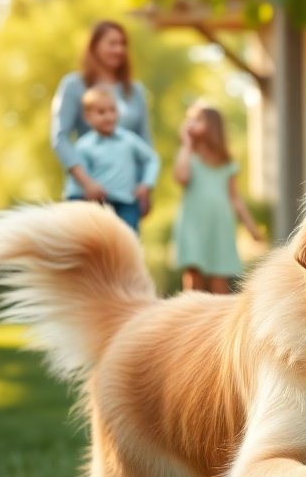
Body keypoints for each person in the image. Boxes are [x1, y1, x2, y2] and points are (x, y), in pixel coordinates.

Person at [51, 20, 155, 226]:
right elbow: (60, 137)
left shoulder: (134, 91)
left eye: (123, 44)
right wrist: (86, 183)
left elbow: (145, 141)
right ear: (94, 46)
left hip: (126, 196)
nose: (119, 49)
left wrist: (146, 187)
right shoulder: (74, 85)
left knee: (123, 254)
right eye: (112, 43)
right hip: (88, 193)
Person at [172, 102, 264, 294]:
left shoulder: (227, 162)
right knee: (193, 275)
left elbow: (235, 198)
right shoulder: (189, 155)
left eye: (197, 119)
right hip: (194, 223)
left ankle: (218, 322)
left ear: (213, 125)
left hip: (220, 225)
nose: (190, 123)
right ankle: (189, 319)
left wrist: (251, 228)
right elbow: (181, 177)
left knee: (219, 278)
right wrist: (186, 145)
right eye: (190, 119)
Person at [68, 86, 159, 232]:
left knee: (128, 240)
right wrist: (85, 191)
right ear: (88, 117)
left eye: (113, 110)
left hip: (127, 203)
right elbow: (76, 180)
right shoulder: (83, 146)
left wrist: (146, 185)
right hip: (97, 205)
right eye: (101, 112)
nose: (109, 116)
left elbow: (152, 159)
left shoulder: (128, 140)